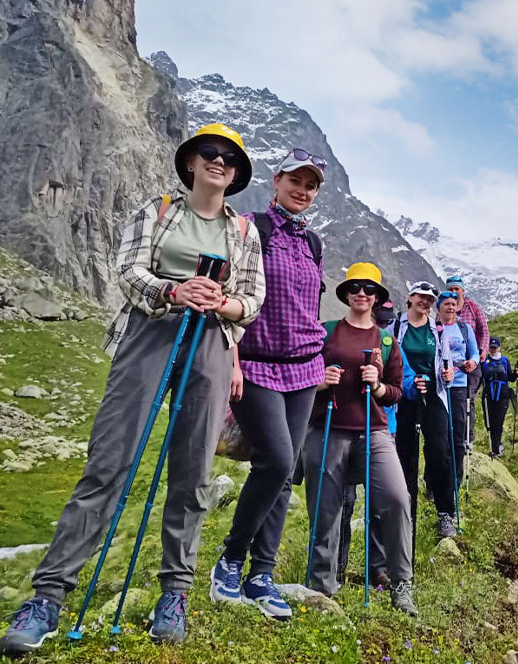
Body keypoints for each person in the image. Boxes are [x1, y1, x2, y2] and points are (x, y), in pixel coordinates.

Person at [0, 123, 265, 653]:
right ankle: (48, 596)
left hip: (210, 342)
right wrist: (174, 289)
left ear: (236, 174)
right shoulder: (159, 210)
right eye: (209, 153)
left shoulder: (244, 233)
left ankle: (175, 593)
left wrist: (219, 303)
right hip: (151, 331)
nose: (218, 162)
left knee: (193, 471)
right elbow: (127, 271)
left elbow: (251, 300)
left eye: (229, 158)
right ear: (190, 162)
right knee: (109, 462)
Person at [210, 147, 328, 620]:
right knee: (277, 459)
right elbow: (229, 294)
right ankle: (231, 558)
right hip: (256, 362)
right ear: (276, 180)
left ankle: (262, 575)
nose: (302, 189)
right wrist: (232, 360)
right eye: (295, 180)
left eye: (311, 184)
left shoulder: (313, 243)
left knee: (284, 474)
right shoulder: (250, 228)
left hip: (304, 368)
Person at [301, 263, 417, 615]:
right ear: (347, 294)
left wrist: (378, 386)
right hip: (327, 429)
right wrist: (320, 381)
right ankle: (321, 586)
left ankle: (401, 583)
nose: (362, 293)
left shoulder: (386, 341)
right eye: (355, 287)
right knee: (325, 511)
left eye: (369, 289)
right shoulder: (327, 332)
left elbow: (396, 391)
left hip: (374, 431)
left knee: (397, 499)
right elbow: (302, 373)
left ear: (378, 296)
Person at [336, 299, 400, 587]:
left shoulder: (389, 342)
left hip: (381, 429)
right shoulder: (343, 336)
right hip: (344, 426)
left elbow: (401, 385)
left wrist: (380, 386)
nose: (384, 322)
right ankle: (336, 566)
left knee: (379, 502)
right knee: (343, 501)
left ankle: (379, 568)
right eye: (382, 317)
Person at [393, 282, 457, 539]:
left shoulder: (437, 329)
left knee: (439, 453)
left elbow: (446, 361)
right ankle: (404, 511)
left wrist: (449, 374)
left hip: (434, 396)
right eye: (421, 297)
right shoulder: (396, 327)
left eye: (430, 299)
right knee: (404, 455)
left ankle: (445, 513)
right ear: (410, 298)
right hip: (403, 398)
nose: (426, 302)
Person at [435, 291, 478, 490]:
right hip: (438, 386)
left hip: (459, 386)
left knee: (458, 436)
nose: (451, 307)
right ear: (439, 307)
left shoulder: (464, 328)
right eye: (447, 304)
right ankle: (435, 481)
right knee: (438, 435)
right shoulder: (433, 328)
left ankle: (455, 480)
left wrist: (472, 362)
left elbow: (475, 353)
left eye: (453, 304)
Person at [443, 276, 488, 446]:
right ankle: (450, 435)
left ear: (463, 290)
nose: (454, 292)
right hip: (451, 365)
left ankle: (467, 436)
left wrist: (482, 351)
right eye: (451, 289)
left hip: (472, 359)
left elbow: (484, 330)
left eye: (457, 289)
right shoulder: (444, 310)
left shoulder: (474, 308)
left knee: (468, 398)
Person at [481, 336, 518, 458]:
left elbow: (510, 378)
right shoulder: (484, 360)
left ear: (499, 347)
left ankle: (496, 448)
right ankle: (493, 446)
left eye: (495, 347)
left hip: (503, 395)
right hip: (488, 396)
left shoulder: (505, 360)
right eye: (491, 347)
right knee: (489, 422)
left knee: (498, 422)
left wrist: (516, 374)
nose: (493, 349)